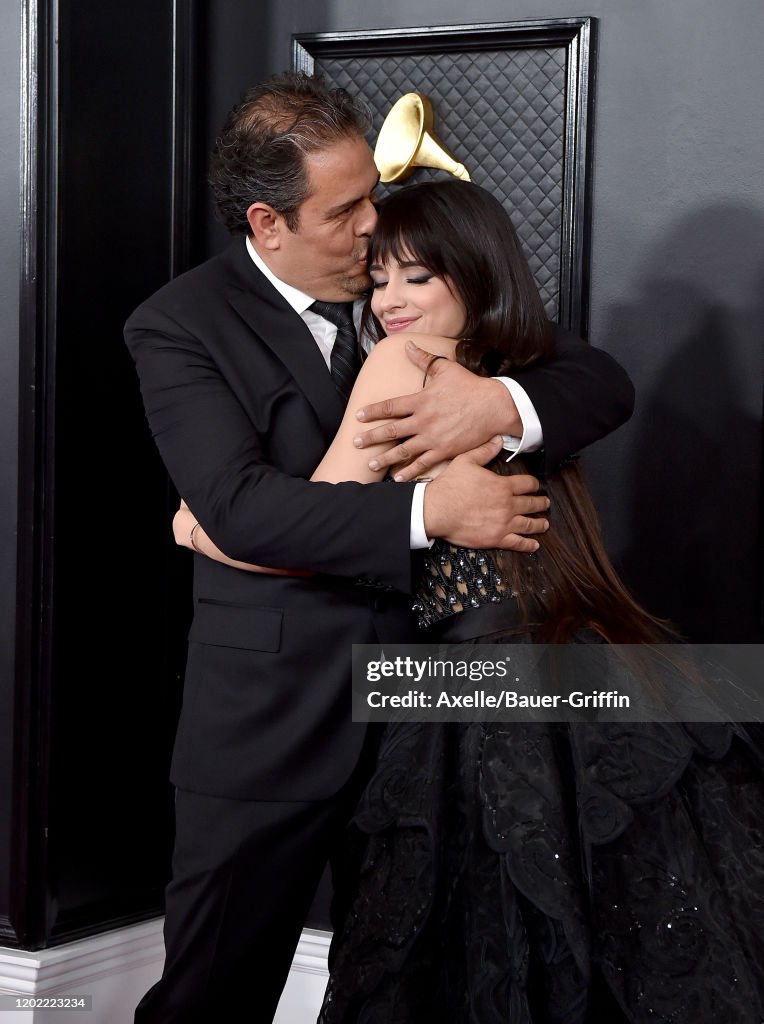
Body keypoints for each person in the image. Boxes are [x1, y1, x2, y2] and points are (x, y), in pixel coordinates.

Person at [179, 180, 764, 1023]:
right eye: (380, 278)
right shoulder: (520, 366)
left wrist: (199, 528)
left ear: (472, 272)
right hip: (561, 660)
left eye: (417, 277)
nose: (391, 299)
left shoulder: (402, 362)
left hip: (471, 686)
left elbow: (302, 528)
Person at [125, 71, 635, 1024]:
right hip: (266, 730)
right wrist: (431, 513)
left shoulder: (397, 292)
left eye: (373, 194)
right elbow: (242, 508)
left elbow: (599, 381)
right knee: (210, 994)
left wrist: (501, 404)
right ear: (267, 223)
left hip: (427, 716)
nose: (374, 224)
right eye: (347, 208)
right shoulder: (179, 324)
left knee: (401, 985)